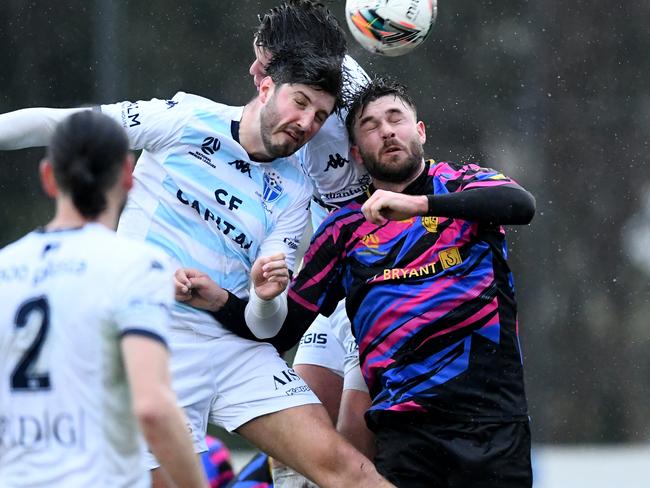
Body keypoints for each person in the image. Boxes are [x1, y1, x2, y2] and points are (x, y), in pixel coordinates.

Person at [0, 52, 392, 488]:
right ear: (266, 88)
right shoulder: (184, 118)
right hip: (154, 337)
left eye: (319, 116)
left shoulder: (296, 187)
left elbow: (267, 327)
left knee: (349, 470)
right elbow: (63, 126)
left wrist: (263, 298)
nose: (306, 123)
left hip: (234, 351)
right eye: (299, 102)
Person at [178, 78, 537, 487]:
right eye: (369, 125)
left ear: (419, 131)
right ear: (357, 155)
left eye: (395, 118)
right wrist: (223, 301)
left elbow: (521, 205)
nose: (385, 130)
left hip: (492, 423)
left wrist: (417, 205)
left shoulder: (463, 184)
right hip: (406, 433)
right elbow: (281, 331)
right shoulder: (344, 230)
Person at [0, 111, 206, 487]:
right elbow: (152, 406)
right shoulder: (138, 267)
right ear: (128, 174)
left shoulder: (5, 268)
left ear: (48, 177)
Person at [249, 1, 375, 469]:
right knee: (296, 448)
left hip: (375, 284)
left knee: (347, 454)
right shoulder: (328, 71)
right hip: (332, 283)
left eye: (262, 62)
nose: (252, 70)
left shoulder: (322, 120)